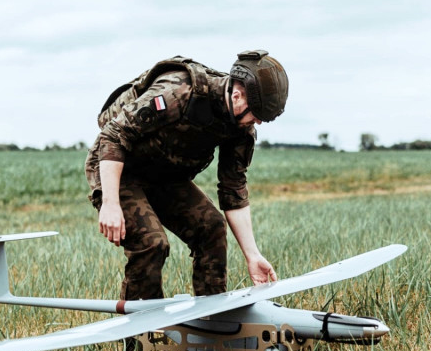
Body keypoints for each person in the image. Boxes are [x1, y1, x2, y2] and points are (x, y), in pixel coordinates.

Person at [85, 50, 289, 301]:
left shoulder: (240, 127)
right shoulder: (178, 92)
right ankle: (141, 337)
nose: (255, 123)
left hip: (164, 175)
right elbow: (113, 137)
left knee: (211, 227)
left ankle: (214, 327)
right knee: (152, 243)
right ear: (237, 95)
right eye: (255, 116)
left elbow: (233, 190)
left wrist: (253, 255)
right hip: (117, 166)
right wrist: (111, 203)